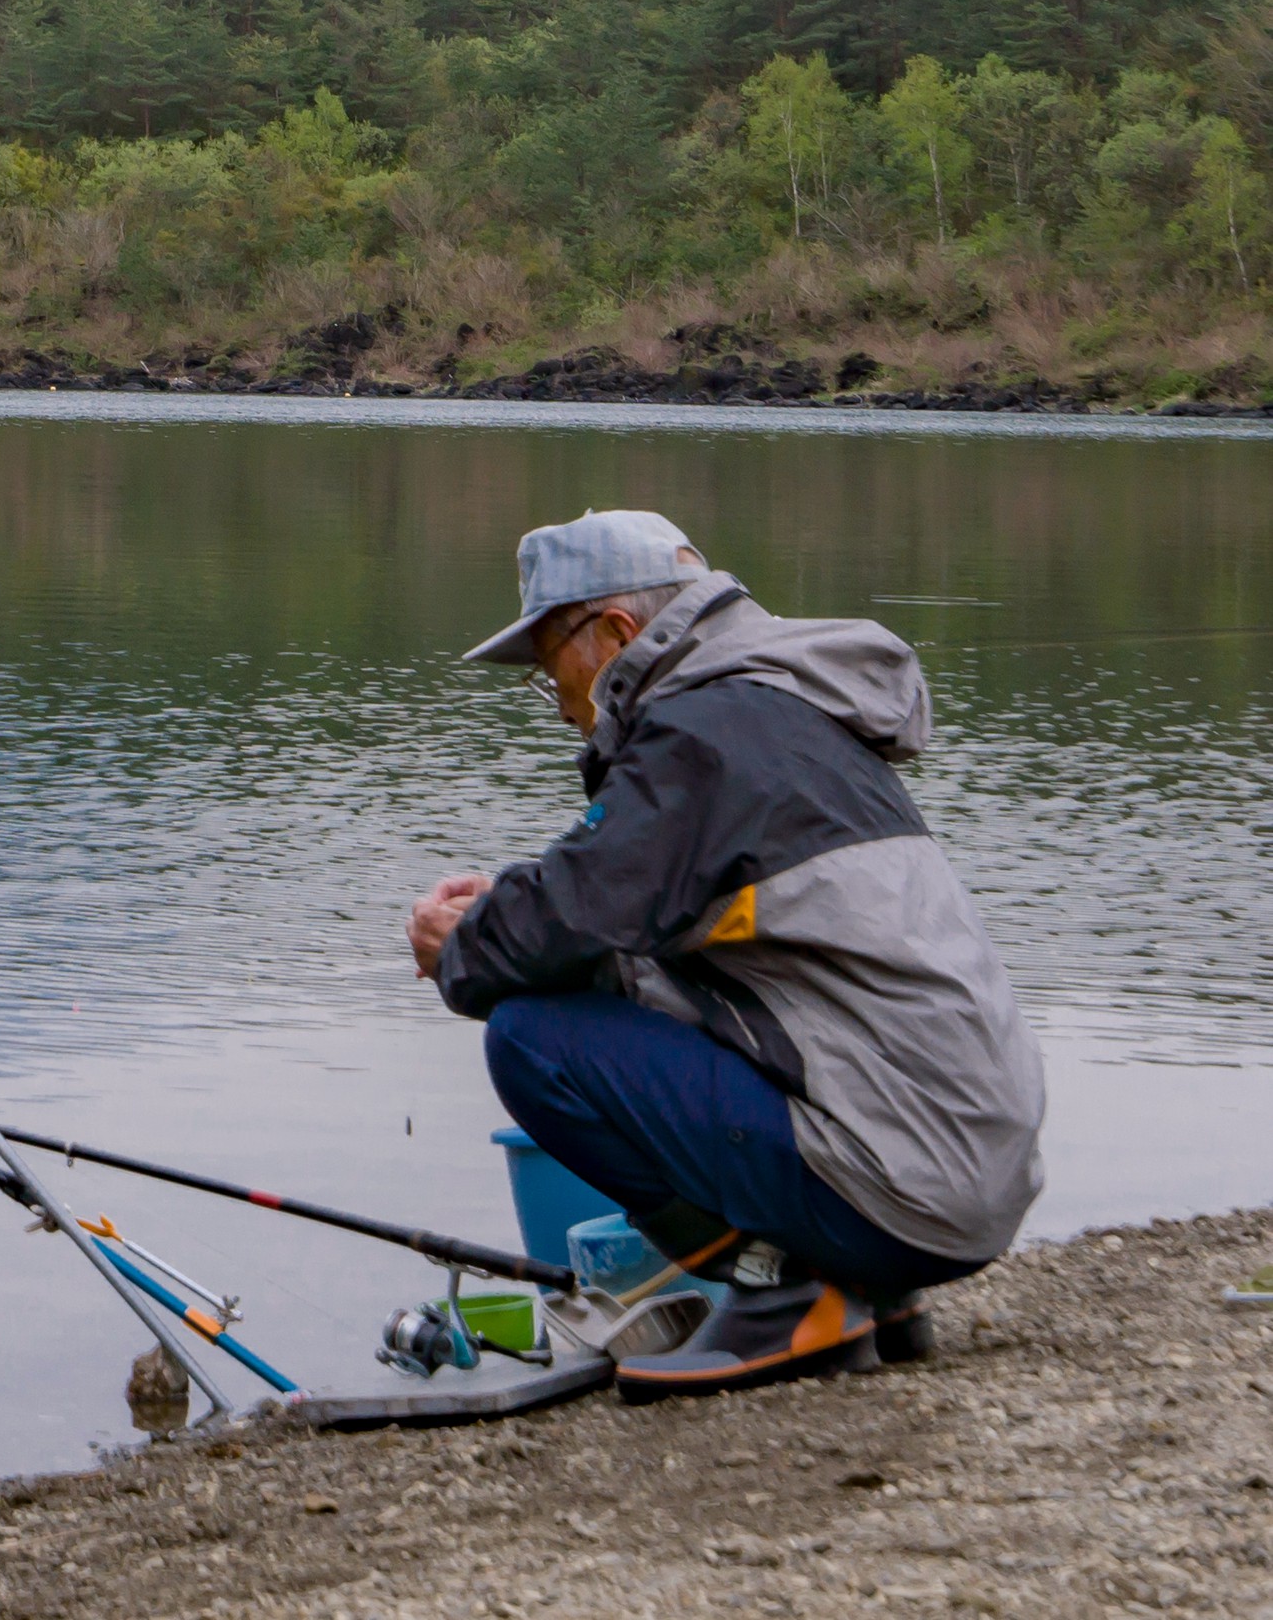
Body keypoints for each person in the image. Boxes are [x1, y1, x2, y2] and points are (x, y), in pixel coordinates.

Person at [406, 508, 1045, 1393]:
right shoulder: (784, 712)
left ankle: (784, 1291)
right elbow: (623, 928)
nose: (554, 700)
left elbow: (553, 930)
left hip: (910, 1184)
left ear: (618, 633)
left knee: (530, 1040)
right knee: (606, 1002)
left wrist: (461, 944)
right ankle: (867, 1288)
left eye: (550, 663)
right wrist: (508, 922)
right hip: (965, 1168)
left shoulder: (701, 736)